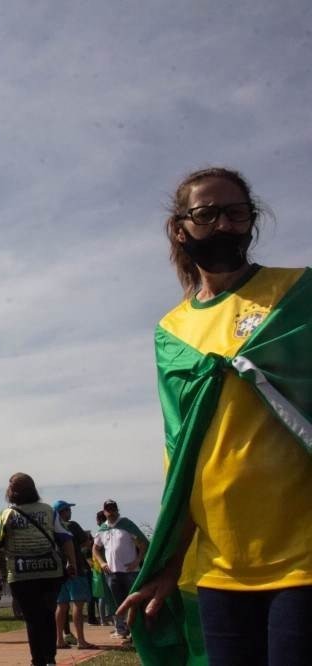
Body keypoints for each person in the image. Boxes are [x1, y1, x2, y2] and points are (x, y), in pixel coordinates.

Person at [120, 167, 312, 665]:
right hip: (218, 567)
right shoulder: (172, 331)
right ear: (181, 228)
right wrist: (168, 563)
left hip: (303, 555)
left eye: (236, 212)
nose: (224, 224)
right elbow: (181, 455)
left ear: (253, 220)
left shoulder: (298, 294)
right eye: (206, 214)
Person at [0, 473, 78, 666]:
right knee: (47, 614)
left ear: (11, 492)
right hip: (50, 573)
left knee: (32, 618)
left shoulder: (6, 515)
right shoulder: (48, 511)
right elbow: (66, 538)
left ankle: (38, 660)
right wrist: (72, 563)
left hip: (21, 574)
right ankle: (50, 658)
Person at [92, 499, 146, 641]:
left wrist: (137, 560)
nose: (111, 512)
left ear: (117, 509)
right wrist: (102, 563)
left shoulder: (126, 524)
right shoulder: (102, 529)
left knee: (133, 602)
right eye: (108, 509)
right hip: (112, 573)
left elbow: (142, 543)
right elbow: (95, 548)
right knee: (117, 602)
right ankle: (121, 629)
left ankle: (136, 631)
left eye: (113, 509)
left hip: (130, 571)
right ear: (104, 511)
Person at [52, 500, 95, 650]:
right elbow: (85, 542)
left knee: (61, 606)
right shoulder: (72, 525)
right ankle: (81, 640)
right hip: (75, 568)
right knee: (77, 604)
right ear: (63, 512)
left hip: (59, 572)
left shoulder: (51, 528)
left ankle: (59, 639)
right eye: (68, 510)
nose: (70, 512)